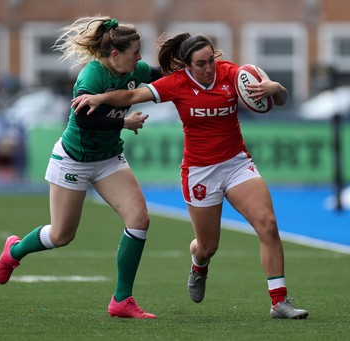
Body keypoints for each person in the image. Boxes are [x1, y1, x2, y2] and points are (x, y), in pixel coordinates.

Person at [71, 32, 309, 319]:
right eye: (201, 63)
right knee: (208, 246)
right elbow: (133, 95)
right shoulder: (177, 83)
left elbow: (278, 99)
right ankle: (198, 263)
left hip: (236, 163)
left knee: (268, 224)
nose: (209, 68)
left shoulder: (232, 74)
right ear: (187, 65)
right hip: (200, 171)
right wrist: (100, 97)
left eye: (211, 60)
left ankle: (279, 302)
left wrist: (277, 88)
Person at [0, 16, 164, 319]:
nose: (140, 58)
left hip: (109, 159)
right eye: (135, 52)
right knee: (61, 235)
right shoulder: (91, 77)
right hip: (74, 159)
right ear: (114, 55)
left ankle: (122, 300)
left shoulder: (134, 70)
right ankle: (15, 251)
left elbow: (159, 75)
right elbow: (84, 118)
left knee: (139, 219)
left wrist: (193, 68)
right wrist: (124, 122)